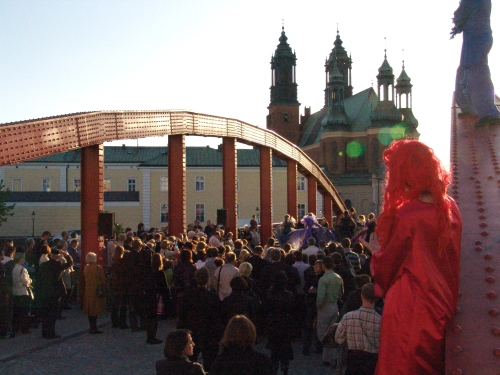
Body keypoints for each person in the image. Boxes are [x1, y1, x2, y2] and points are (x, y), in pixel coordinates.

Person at [360, 139, 462, 375]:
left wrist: (376, 254)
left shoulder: (409, 215)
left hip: (409, 303)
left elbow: (389, 266)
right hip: (442, 302)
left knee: (400, 363)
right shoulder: (451, 207)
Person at [451, 0, 500, 126]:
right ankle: (469, 107)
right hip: (481, 35)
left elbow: (460, 15)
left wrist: (457, 23)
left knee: (476, 72)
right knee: (466, 70)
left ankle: (488, 113)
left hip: (474, 37)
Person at [335, 283, 381, 375]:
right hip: (373, 362)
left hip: (353, 359)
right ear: (376, 298)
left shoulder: (348, 317)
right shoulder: (381, 321)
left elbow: (338, 338)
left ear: (361, 296)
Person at [37, 247, 73, 339]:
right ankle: (51, 333)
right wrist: (67, 255)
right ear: (57, 256)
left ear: (50, 255)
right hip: (55, 292)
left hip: (45, 291)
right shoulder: (58, 264)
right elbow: (69, 263)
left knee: (45, 314)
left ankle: (44, 333)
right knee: (53, 315)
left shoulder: (43, 265)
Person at [263, 271, 294, 375]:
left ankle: (274, 366)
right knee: (285, 346)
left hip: (273, 322)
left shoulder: (269, 294)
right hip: (285, 323)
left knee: (274, 348)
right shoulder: (289, 295)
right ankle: (285, 366)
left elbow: (265, 309)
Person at [316, 255, 343, 367]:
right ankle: (331, 357)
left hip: (325, 307)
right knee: (333, 333)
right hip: (335, 305)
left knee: (322, 333)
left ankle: (328, 357)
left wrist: (318, 306)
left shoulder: (323, 279)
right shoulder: (338, 277)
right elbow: (341, 293)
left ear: (323, 265)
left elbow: (320, 296)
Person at [83, 252, 107, 334]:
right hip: (96, 289)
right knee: (95, 309)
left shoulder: (86, 267)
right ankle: (94, 327)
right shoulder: (98, 267)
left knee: (90, 309)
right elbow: (103, 279)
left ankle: (91, 326)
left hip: (88, 289)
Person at [12, 253, 33, 334]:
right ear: (20, 259)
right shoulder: (23, 269)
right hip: (23, 291)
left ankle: (15, 328)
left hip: (15, 291)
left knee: (17, 312)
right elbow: (25, 281)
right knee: (24, 312)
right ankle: (24, 328)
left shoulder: (14, 268)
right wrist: (30, 281)